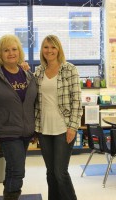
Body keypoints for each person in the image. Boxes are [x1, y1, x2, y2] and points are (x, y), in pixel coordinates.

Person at [0, 34, 37, 200]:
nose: (11, 53)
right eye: (6, 50)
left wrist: (33, 129)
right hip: (6, 132)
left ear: (19, 52)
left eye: (14, 49)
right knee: (17, 170)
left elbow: (31, 104)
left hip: (25, 132)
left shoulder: (27, 74)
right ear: (0, 54)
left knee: (13, 169)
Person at [34, 35, 83, 200]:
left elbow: (77, 100)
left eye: (53, 47)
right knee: (50, 172)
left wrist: (73, 127)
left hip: (64, 127)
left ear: (58, 49)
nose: (49, 50)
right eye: (46, 47)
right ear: (42, 50)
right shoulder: (39, 71)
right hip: (44, 127)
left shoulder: (69, 69)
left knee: (60, 172)